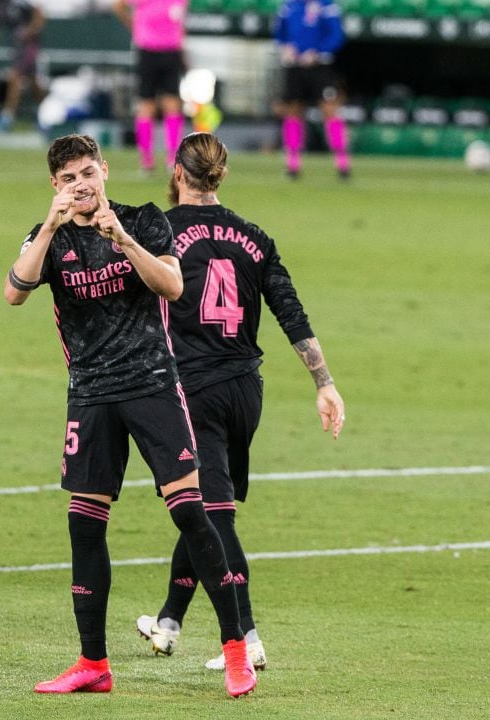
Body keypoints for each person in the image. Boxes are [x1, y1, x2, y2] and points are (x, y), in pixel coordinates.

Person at [3, 134, 257, 698]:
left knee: (192, 514)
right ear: (55, 186)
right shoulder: (50, 236)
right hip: (90, 395)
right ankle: (93, 663)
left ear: (106, 171)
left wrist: (120, 239)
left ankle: (236, 649)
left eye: (88, 173)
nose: (81, 185)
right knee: (84, 525)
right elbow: (14, 291)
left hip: (152, 386)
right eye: (68, 179)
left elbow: (171, 284)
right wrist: (48, 227)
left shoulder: (142, 221)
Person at [135, 131, 346, 671]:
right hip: (245, 389)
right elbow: (290, 313)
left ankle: (247, 637)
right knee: (201, 503)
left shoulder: (157, 229)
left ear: (177, 173)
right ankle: (169, 622)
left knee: (211, 513)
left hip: (192, 389)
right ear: (221, 176)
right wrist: (324, 381)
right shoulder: (254, 236)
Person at [274, 0, 350, 179]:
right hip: (294, 65)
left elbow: (336, 35)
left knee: (329, 109)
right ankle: (292, 164)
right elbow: (279, 33)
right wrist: (285, 47)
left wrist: (317, 52)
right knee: (293, 110)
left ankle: (342, 163)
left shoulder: (327, 5)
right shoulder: (289, 6)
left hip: (320, 66)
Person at [113, 0, 188, 175]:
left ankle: (173, 158)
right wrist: (134, 27)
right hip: (148, 50)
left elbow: (180, 21)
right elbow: (118, 5)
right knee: (147, 104)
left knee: (172, 103)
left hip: (172, 50)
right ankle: (146, 159)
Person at [0, 0, 45, 132]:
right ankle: (46, 114)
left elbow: (39, 13)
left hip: (31, 44)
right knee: (32, 81)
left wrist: (31, 30)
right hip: (17, 46)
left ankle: (6, 118)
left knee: (15, 75)